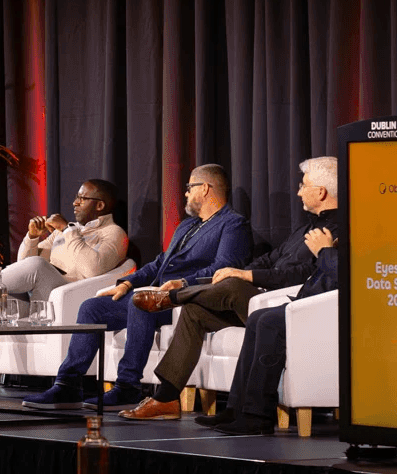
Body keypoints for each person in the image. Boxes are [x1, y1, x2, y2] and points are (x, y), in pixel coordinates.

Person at [118, 156, 340, 421]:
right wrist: (248, 271)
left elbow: (305, 274)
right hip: (262, 300)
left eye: (304, 185)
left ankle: (172, 297)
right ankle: (166, 397)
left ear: (321, 191)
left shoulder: (335, 230)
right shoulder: (305, 229)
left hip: (286, 305)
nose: (298, 191)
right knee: (194, 311)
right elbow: (272, 259)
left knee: (233, 284)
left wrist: (247, 274)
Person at [23, 163, 253, 411]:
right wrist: (127, 282)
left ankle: (128, 387)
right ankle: (68, 385)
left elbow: (225, 269)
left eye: (189, 187)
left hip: (187, 297)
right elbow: (159, 263)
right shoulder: (188, 225)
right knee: (91, 308)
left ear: (205, 189)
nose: (185, 193)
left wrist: (183, 283)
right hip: (159, 294)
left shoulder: (233, 224)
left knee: (140, 302)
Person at [0, 179, 129, 402]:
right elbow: (22, 268)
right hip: (34, 300)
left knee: (38, 267)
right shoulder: (65, 232)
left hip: (65, 302)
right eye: (76, 197)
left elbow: (91, 269)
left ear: (100, 205)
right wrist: (32, 238)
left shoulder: (113, 234)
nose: (75, 203)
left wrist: (67, 230)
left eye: (82, 198)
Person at [198, 227, 338, 434]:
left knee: (269, 322)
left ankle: (258, 415)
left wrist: (324, 251)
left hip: (327, 312)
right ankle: (236, 408)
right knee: (257, 317)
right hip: (309, 304)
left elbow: (343, 272)